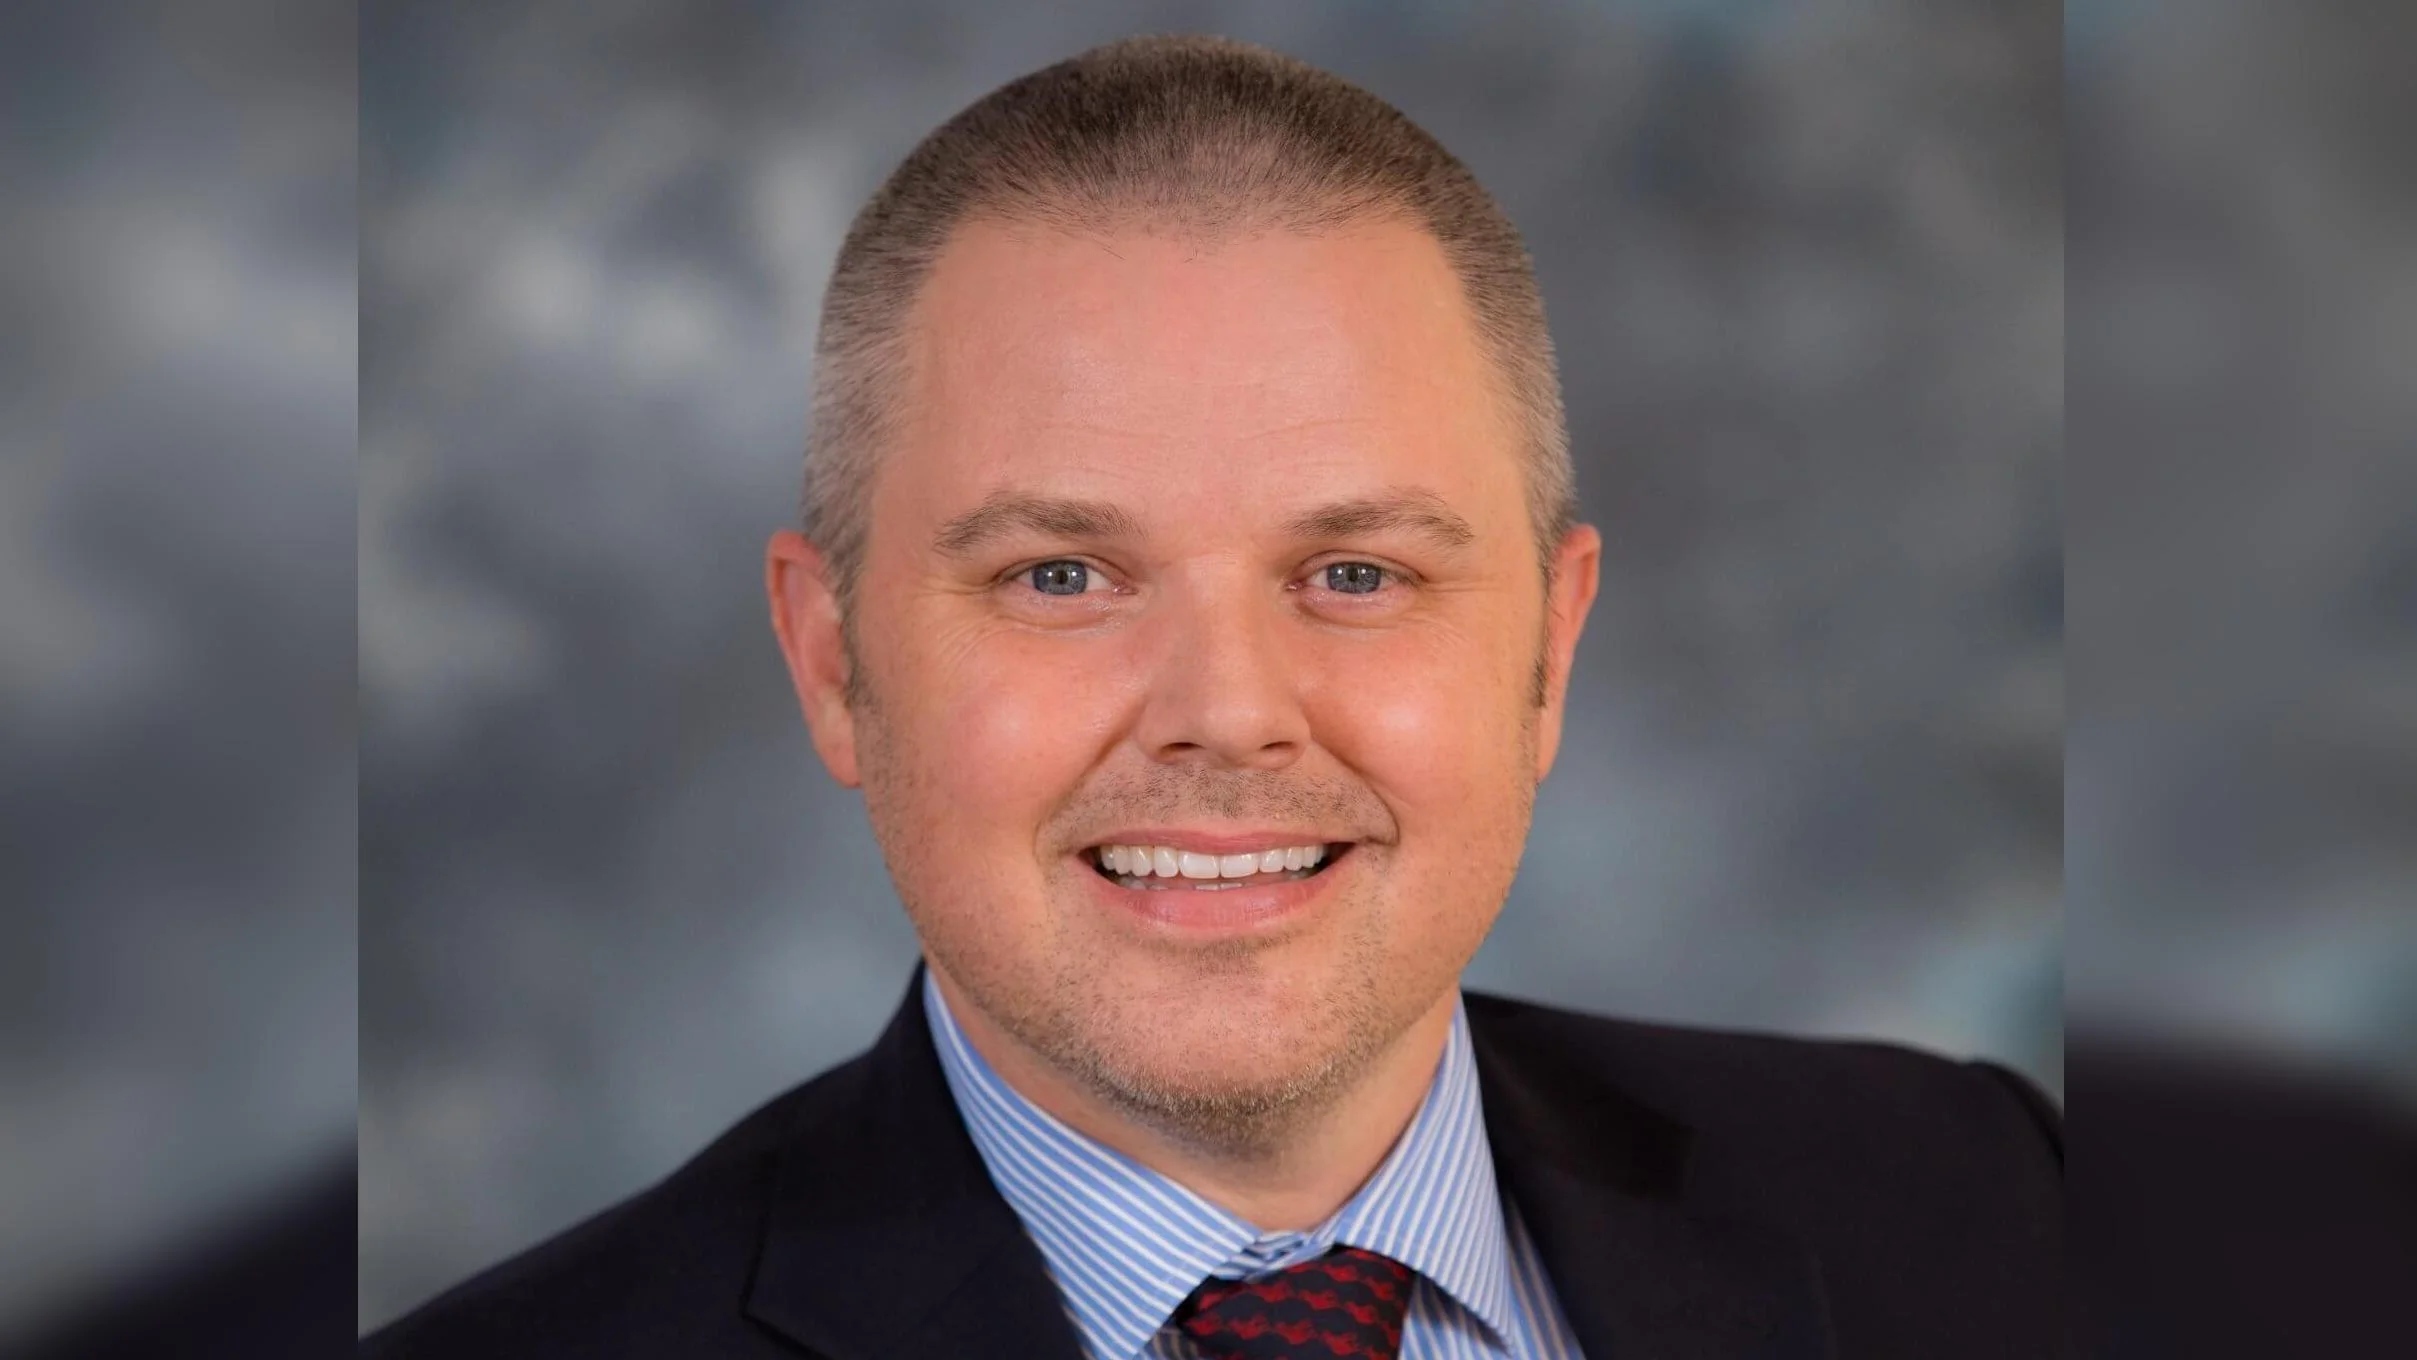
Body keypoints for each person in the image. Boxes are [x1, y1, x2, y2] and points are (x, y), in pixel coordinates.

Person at [363, 34, 2060, 1360]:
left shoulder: (1987, 1211)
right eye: (1061, 577)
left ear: (1550, 648)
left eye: (1358, 574)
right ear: (832, 665)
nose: (1229, 713)